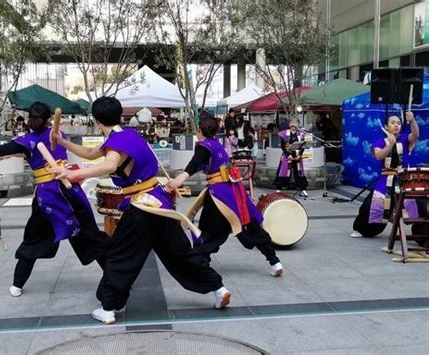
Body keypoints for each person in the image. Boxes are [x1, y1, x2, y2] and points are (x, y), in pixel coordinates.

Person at [50, 96, 231, 325]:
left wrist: (74, 175)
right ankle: (218, 288)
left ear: (96, 120)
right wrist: (63, 142)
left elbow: (109, 165)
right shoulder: (128, 136)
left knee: (120, 255)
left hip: (141, 207)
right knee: (180, 252)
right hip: (160, 204)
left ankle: (108, 308)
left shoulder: (117, 142)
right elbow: (92, 153)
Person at [0, 102, 109, 297]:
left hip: (59, 194)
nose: (33, 121)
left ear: (38, 120)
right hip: (59, 195)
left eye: (35, 118)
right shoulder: (42, 137)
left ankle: (114, 278)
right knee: (60, 235)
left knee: (73, 236)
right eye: (34, 118)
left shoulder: (45, 137)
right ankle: (19, 282)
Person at [166, 115, 283, 277]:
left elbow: (193, 165)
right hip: (235, 191)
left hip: (219, 195)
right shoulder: (217, 145)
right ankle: (275, 261)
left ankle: (200, 268)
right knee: (248, 225)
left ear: (199, 131)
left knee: (209, 232)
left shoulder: (204, 146)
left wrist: (177, 180)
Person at [351, 112, 420, 238]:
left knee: (415, 204)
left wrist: (412, 120)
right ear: (386, 126)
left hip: (403, 179)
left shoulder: (405, 139)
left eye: (398, 123)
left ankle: (420, 233)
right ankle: (363, 230)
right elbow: (379, 156)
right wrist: (390, 145)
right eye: (392, 123)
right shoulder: (380, 142)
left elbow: (415, 135)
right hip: (386, 179)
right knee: (371, 206)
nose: (396, 125)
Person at [273, 118, 309, 197]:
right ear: (289, 124)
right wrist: (288, 155)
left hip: (297, 155)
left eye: (295, 123)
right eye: (292, 122)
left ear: (298, 125)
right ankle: (278, 188)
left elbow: (303, 146)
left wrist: (300, 155)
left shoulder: (301, 134)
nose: (293, 124)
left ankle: (303, 189)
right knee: (283, 171)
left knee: (299, 173)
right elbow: (282, 146)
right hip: (287, 155)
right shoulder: (284, 133)